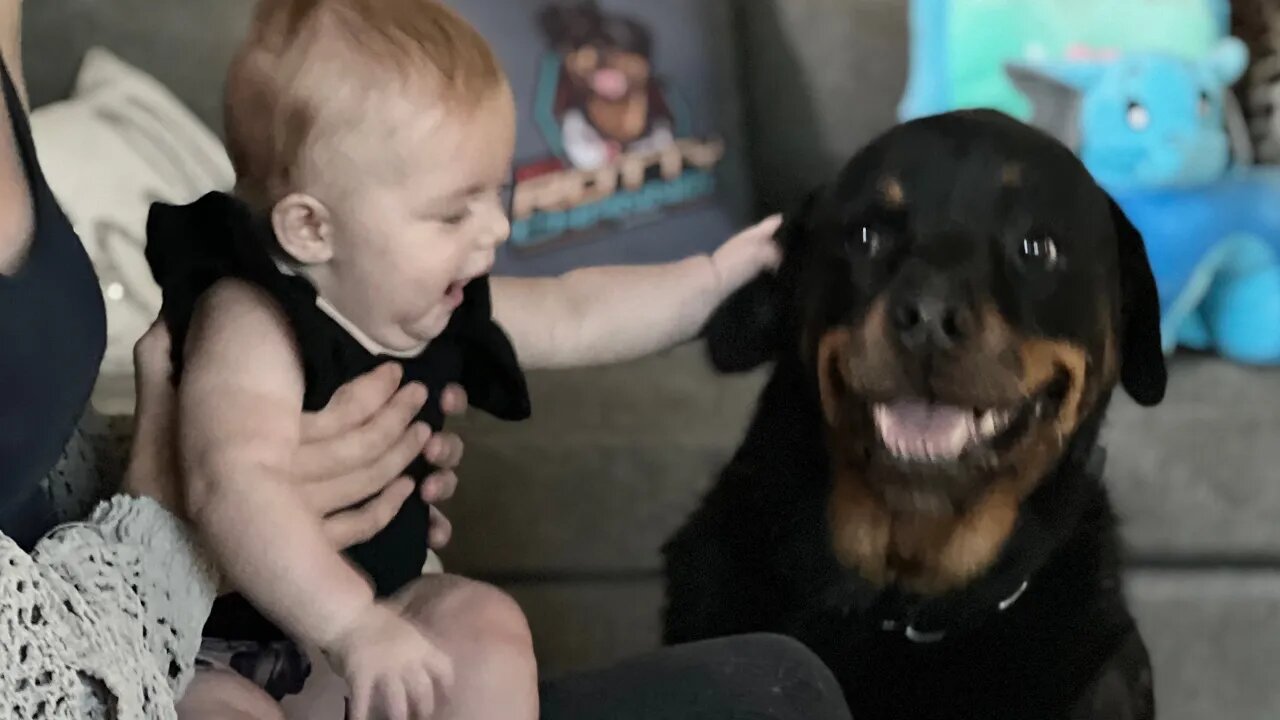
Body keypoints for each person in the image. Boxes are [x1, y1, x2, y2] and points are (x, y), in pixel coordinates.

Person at [0, 0, 854, 719]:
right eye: (453, 214)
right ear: (310, 228)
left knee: (480, 620)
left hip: (364, 627)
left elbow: (576, 310)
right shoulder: (251, 318)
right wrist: (350, 629)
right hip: (206, 646)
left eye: (495, 195)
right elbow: (233, 487)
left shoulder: (415, 301)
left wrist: (716, 277)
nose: (494, 233)